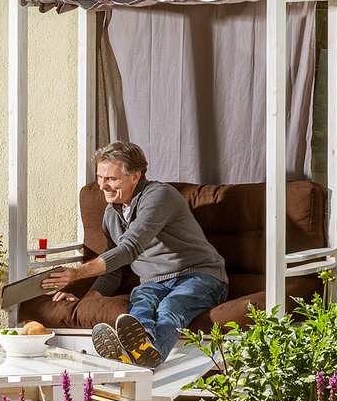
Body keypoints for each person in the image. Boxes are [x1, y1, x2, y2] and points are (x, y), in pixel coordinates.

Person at [42, 142, 228, 368]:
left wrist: (77, 274)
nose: (102, 186)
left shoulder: (160, 196)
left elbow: (130, 248)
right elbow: (114, 269)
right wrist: (91, 295)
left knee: (170, 309)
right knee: (139, 309)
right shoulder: (111, 215)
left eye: (111, 179)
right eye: (100, 177)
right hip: (152, 283)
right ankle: (139, 354)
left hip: (199, 276)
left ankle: (139, 364)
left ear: (135, 176)